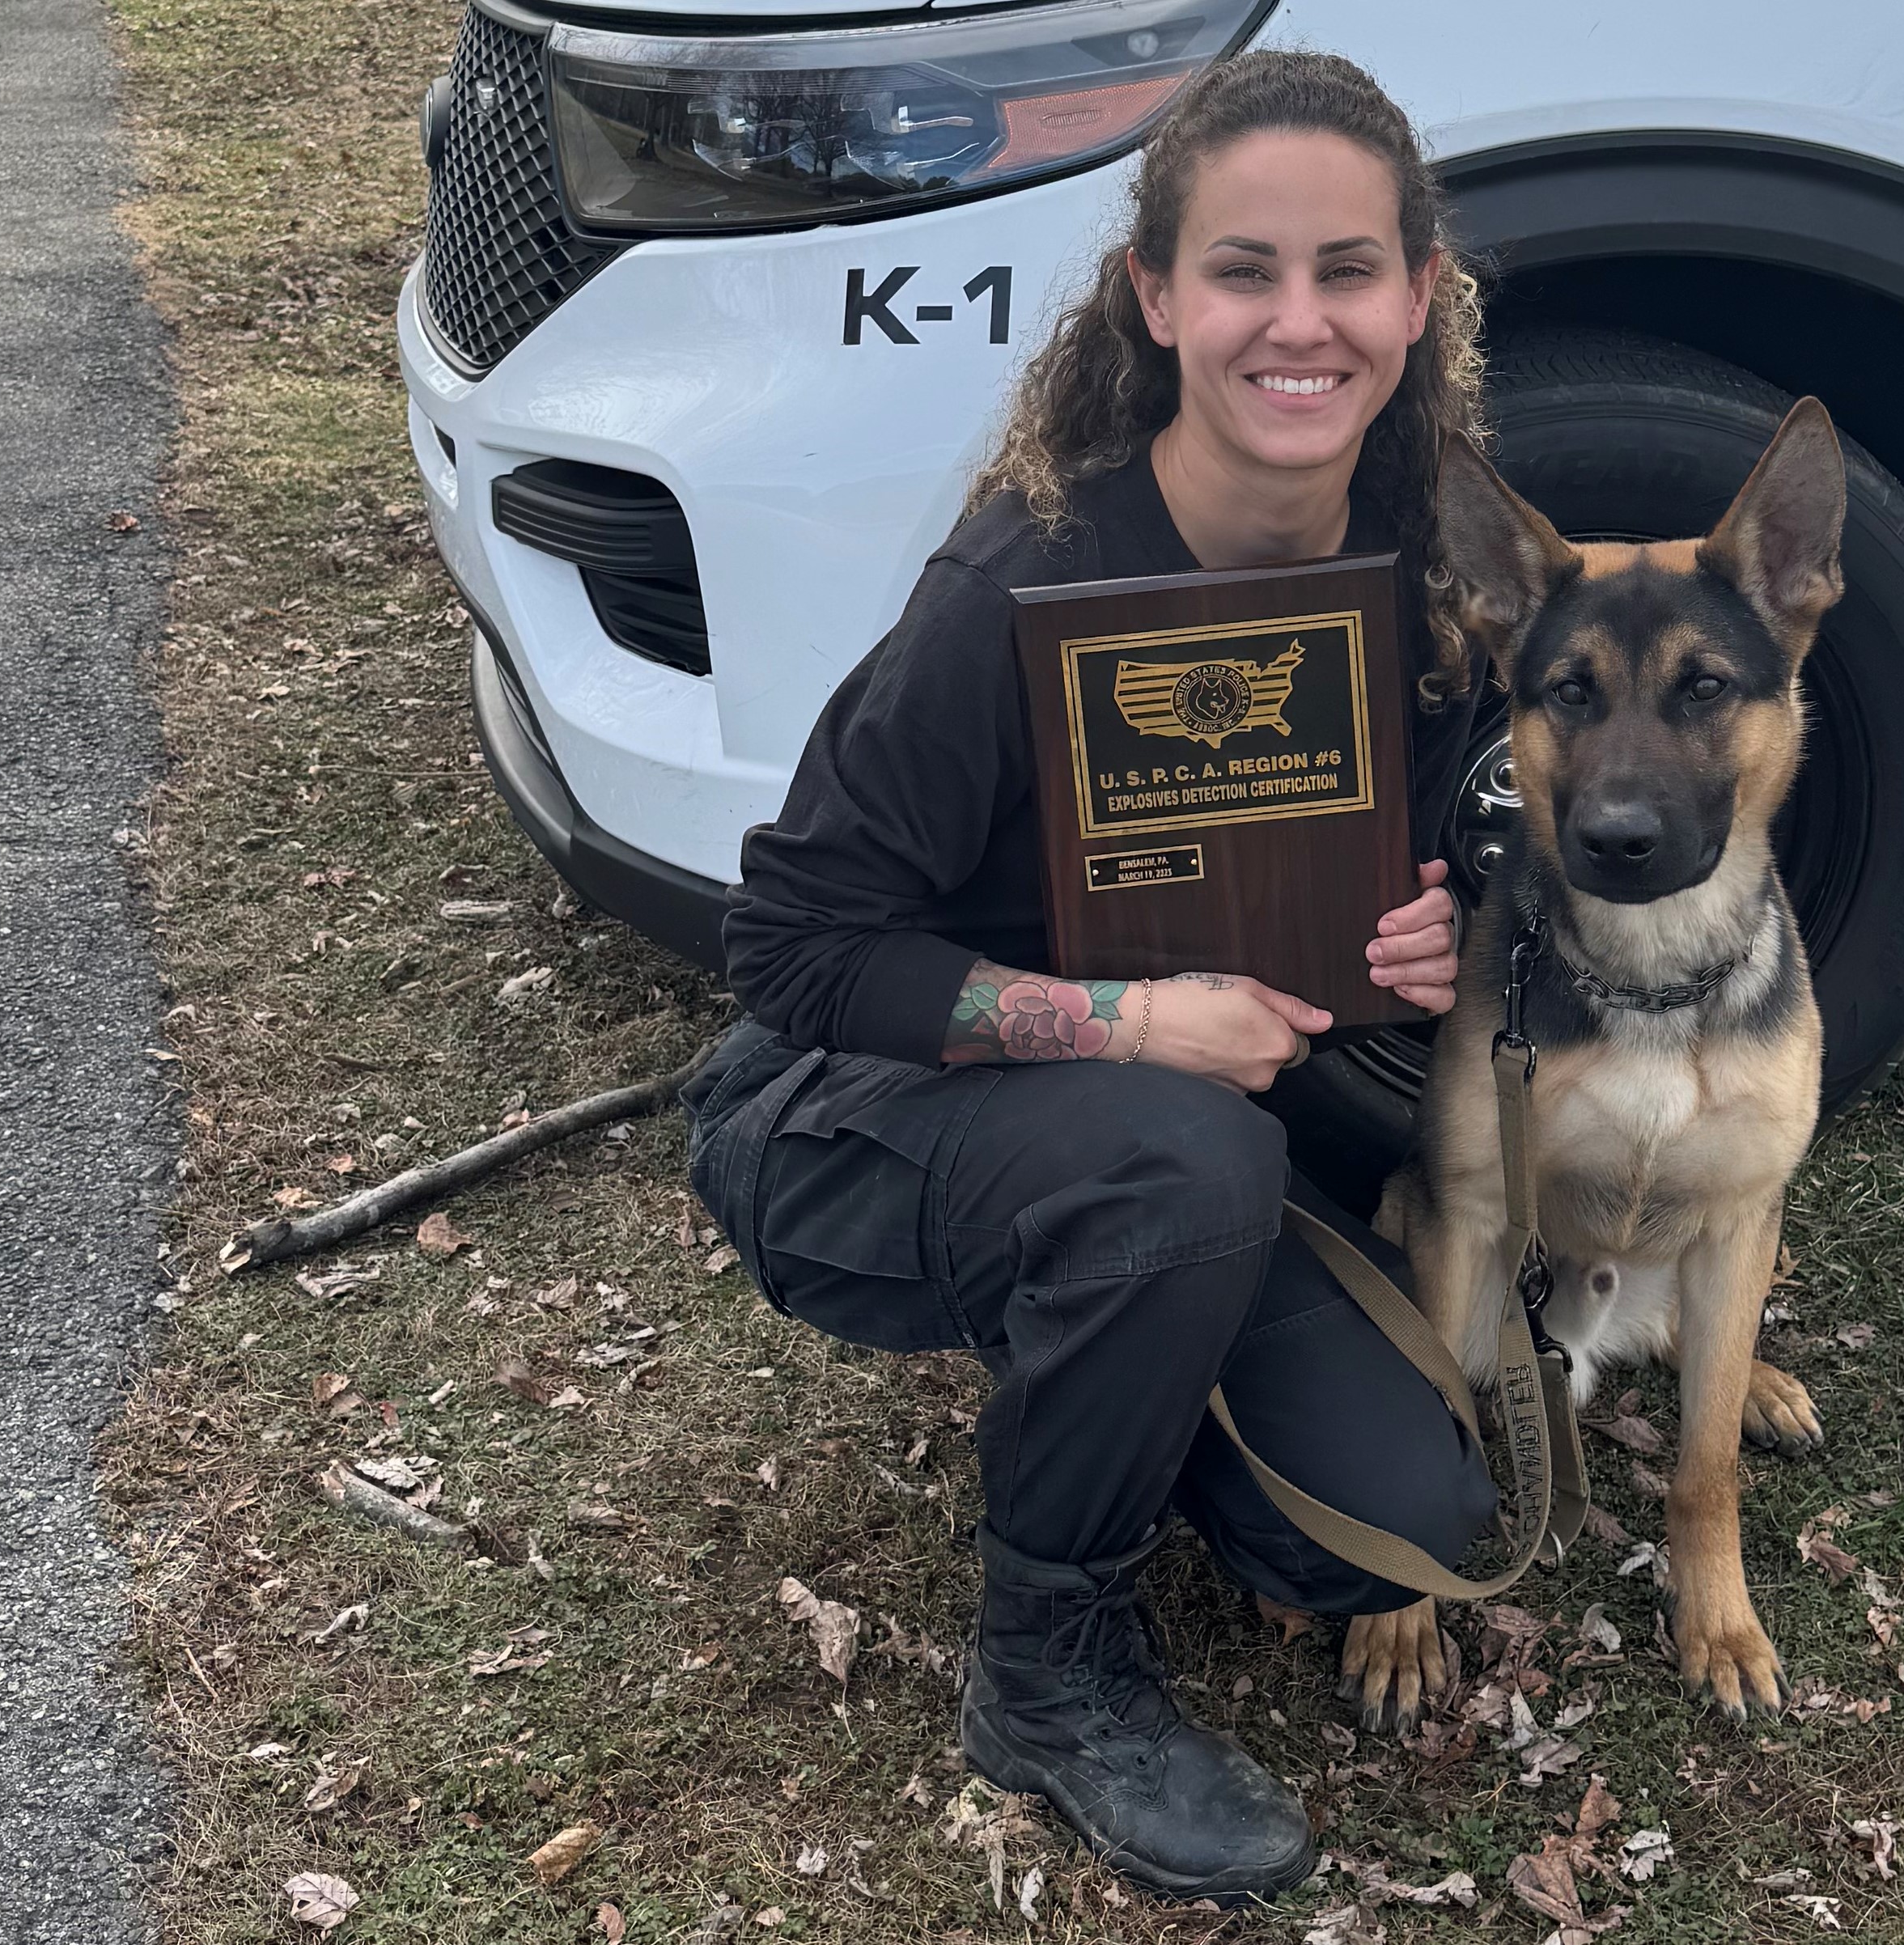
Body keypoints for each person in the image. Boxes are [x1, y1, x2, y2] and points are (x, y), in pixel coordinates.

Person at [683, 50, 1514, 1903]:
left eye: (1346, 270)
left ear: (1417, 294)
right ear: (1153, 296)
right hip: (845, 1117)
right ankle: (1045, 1673)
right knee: (1179, 1166)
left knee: (1394, 1534)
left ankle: (1128, 1345)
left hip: (1170, 1129)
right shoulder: (1017, 586)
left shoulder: (1418, 550)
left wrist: (1439, 921)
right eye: (1241, 270)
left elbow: (1462, 806)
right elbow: (792, 940)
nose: (1296, 324)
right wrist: (1124, 1023)